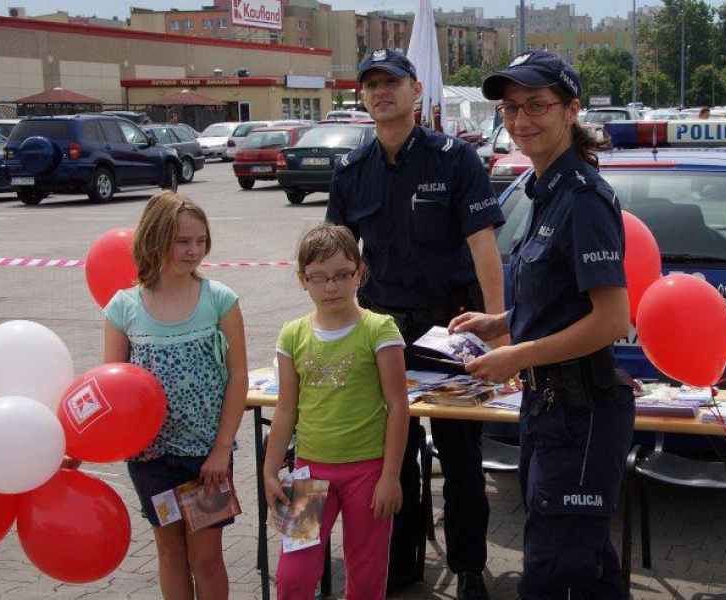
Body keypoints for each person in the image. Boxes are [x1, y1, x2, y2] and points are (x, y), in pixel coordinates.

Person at [451, 49, 635, 600]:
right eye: (510, 108)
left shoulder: (582, 199)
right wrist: (499, 322)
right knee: (589, 570)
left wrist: (518, 354)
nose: (521, 120)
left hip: (580, 414)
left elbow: (612, 319)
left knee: (553, 577)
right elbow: (561, 300)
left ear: (571, 110)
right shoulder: (544, 192)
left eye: (537, 105)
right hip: (548, 409)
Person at [325, 48, 505, 599]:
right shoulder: (351, 171)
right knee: (393, 453)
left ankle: (470, 565)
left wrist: (498, 329)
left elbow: (484, 247)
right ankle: (403, 562)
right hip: (381, 332)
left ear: (416, 89)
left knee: (461, 454)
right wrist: (330, 329)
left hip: (450, 328)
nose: (381, 92)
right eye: (371, 84)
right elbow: (337, 255)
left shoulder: (456, 159)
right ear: (362, 95)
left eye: (392, 82)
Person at [103, 191, 247, 600]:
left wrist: (221, 449)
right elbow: (109, 389)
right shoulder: (123, 308)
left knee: (206, 556)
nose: (194, 250)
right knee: (171, 554)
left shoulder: (219, 299)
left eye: (201, 240)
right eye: (183, 241)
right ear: (155, 239)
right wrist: (80, 444)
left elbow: (238, 376)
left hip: (207, 461)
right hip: (152, 460)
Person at [263, 224, 410, 600]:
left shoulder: (380, 329)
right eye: (320, 278)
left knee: (365, 574)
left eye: (343, 275)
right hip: (310, 471)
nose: (332, 286)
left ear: (359, 273)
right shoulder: (292, 334)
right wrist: (269, 470)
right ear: (303, 280)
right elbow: (285, 409)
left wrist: (391, 476)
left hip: (369, 472)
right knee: (293, 577)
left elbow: (398, 407)